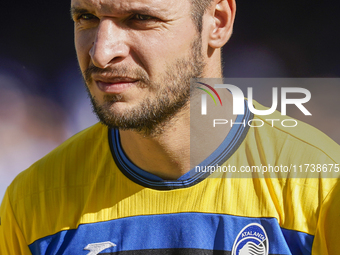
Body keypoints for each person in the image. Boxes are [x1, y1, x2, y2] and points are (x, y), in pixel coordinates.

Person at [1, 0, 340, 254]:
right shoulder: (33, 200)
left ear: (217, 23)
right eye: (86, 17)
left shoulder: (322, 186)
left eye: (140, 18)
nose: (101, 52)